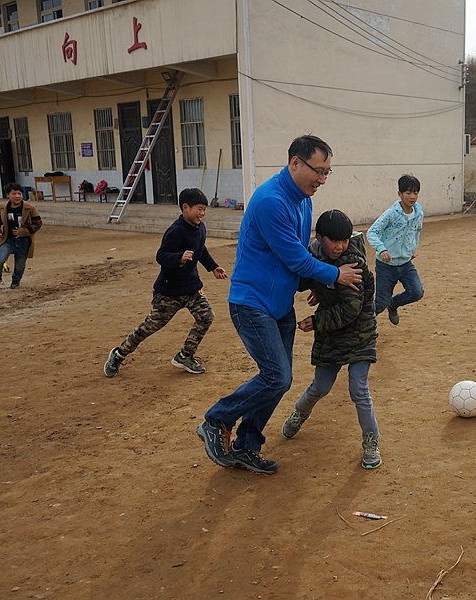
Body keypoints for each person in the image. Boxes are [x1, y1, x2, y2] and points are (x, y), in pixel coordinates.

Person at [197, 135, 363, 475]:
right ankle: (216, 420)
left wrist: (317, 284)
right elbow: (298, 259)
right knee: (277, 376)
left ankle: (246, 445)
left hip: (279, 304)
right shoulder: (271, 201)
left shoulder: (303, 199)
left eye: (327, 172)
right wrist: (334, 276)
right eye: (319, 170)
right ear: (295, 163)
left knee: (279, 379)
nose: (322, 179)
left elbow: (296, 260)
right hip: (251, 302)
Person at [281, 210, 382, 469]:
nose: (340, 246)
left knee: (359, 390)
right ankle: (299, 414)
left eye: (345, 240)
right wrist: (318, 286)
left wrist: (316, 321)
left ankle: (371, 442)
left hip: (360, 333)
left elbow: (350, 309)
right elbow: (306, 274)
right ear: (320, 238)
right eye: (334, 241)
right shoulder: (313, 254)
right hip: (332, 337)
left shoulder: (353, 263)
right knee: (320, 387)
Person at [104, 188, 228, 377]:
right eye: (199, 209)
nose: (202, 213)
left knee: (206, 316)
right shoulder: (176, 231)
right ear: (185, 207)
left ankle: (185, 355)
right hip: (169, 292)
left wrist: (213, 267)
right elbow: (161, 256)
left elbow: (200, 249)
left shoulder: (200, 228)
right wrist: (179, 258)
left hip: (192, 289)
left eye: (204, 209)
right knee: (149, 327)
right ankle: (119, 354)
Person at [366, 174, 424, 325]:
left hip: (405, 264)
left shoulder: (418, 214)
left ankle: (393, 304)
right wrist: (382, 249)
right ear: (400, 194)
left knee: (416, 292)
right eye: (408, 193)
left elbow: (416, 232)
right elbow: (372, 232)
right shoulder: (391, 214)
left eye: (416, 193)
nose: (412, 196)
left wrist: (411, 249)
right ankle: (360, 326)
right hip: (386, 266)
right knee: (379, 304)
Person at [0, 183, 42, 290]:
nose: (17, 196)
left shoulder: (30, 208)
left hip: (24, 241)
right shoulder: (3, 207)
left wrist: (24, 231)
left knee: (20, 265)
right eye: (14, 193)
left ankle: (16, 281)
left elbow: (38, 223)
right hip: (7, 239)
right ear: (8, 195)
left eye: (19, 193)